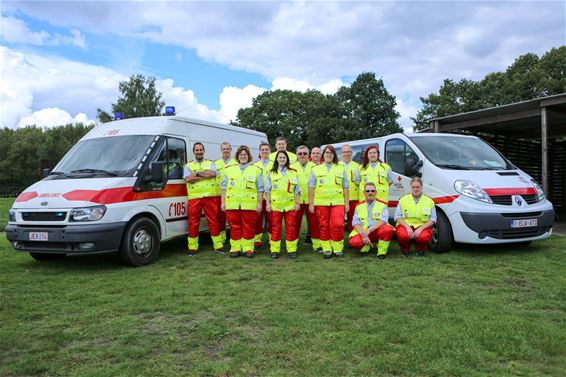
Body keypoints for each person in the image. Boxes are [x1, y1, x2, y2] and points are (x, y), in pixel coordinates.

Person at [221, 145, 264, 258]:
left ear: (248, 156)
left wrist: (259, 203)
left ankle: (248, 249)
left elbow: (260, 189)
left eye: (245, 154)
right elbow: (223, 187)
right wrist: (223, 202)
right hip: (232, 205)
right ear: (237, 156)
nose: (243, 156)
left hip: (249, 205)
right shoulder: (229, 169)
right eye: (241, 155)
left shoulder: (256, 170)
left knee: (249, 227)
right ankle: (235, 248)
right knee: (234, 227)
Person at [308, 145, 349, 259]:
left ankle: (337, 248)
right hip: (321, 203)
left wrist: (347, 203)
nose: (329, 155)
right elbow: (311, 187)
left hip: (338, 202)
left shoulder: (340, 168)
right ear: (323, 155)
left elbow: (345, 186)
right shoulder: (316, 169)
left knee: (338, 224)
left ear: (334, 155)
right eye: (326, 153)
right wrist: (311, 203)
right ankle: (326, 248)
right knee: (323, 225)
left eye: (331, 153)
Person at [183, 142, 223, 255]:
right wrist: (204, 175)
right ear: (194, 152)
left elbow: (213, 174)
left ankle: (218, 246)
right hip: (194, 198)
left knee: (214, 221)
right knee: (193, 222)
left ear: (204, 151)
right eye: (197, 150)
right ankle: (192, 248)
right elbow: (188, 179)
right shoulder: (188, 165)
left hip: (209, 196)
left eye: (201, 149)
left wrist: (197, 174)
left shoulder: (211, 163)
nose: (199, 152)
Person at [266, 151, 300, 259]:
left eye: (284, 157)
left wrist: (297, 203)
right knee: (275, 227)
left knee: (291, 227)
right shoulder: (271, 173)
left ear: (287, 159)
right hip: (276, 205)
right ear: (276, 159)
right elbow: (268, 190)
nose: (282, 159)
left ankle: (292, 250)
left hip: (290, 205)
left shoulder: (293, 172)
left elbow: (297, 190)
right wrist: (267, 203)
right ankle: (275, 250)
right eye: (280, 157)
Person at [349, 182, 395, 259]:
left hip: (376, 231)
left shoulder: (382, 205)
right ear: (364, 193)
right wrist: (363, 235)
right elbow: (355, 222)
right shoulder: (358, 206)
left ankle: (381, 253)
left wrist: (370, 230)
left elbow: (384, 220)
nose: (370, 193)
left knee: (388, 229)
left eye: (372, 191)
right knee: (354, 242)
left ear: (376, 192)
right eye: (368, 191)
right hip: (364, 231)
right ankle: (368, 247)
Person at [394, 177, 436, 257]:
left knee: (423, 237)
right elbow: (397, 217)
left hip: (422, 225)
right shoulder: (403, 199)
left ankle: (421, 249)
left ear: (422, 187)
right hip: (405, 224)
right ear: (411, 187)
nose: (415, 189)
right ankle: (405, 249)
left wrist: (421, 228)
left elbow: (433, 219)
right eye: (413, 187)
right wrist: (407, 227)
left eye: (418, 187)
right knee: (403, 235)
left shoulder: (429, 201)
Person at [290, 145, 321, 251]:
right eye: (300, 153)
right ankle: (293, 244)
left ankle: (317, 245)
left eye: (305, 153)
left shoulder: (315, 166)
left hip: (311, 200)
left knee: (314, 223)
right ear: (296, 155)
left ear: (309, 155)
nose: (302, 155)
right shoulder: (291, 167)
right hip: (296, 200)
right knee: (294, 223)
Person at [215, 142, 238, 245]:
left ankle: (233, 238)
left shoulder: (236, 162)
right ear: (221, 150)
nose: (225, 150)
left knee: (233, 219)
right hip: (219, 194)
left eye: (227, 148)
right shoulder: (216, 163)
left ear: (231, 149)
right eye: (223, 149)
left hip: (232, 195)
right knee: (220, 218)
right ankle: (222, 238)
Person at [253, 142, 273, 249]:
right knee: (257, 220)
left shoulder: (275, 164)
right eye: (262, 150)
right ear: (259, 152)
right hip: (258, 197)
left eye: (266, 149)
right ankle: (257, 240)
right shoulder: (255, 165)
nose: (265, 151)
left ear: (270, 151)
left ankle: (272, 240)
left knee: (272, 220)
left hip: (272, 197)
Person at [339, 144, 361, 232]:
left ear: (351, 153)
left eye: (348, 152)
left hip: (354, 198)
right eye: (344, 152)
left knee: (353, 220)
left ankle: (353, 238)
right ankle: (338, 240)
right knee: (338, 221)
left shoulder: (358, 167)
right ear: (341, 153)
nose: (346, 154)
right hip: (339, 198)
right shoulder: (336, 166)